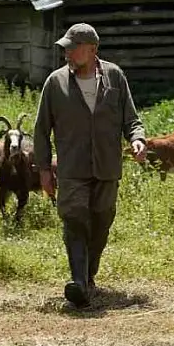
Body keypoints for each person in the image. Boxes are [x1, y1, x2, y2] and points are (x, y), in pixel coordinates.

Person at [34, 23, 147, 307]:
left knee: (101, 222)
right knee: (74, 220)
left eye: (73, 48)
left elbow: (131, 119)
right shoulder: (55, 83)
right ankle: (79, 282)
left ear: (92, 49)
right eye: (65, 49)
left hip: (107, 167)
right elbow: (41, 130)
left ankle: (88, 277)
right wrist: (44, 170)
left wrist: (137, 139)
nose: (67, 53)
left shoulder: (115, 77)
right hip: (71, 168)